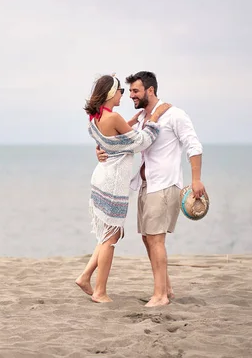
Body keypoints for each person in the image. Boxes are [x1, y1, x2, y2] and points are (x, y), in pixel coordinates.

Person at [95, 71, 205, 307]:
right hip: (146, 185)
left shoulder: (174, 115)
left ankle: (160, 296)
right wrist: (101, 150)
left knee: (156, 240)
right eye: (129, 91)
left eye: (135, 91)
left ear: (150, 91)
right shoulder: (145, 117)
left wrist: (196, 179)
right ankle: (167, 289)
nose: (130, 96)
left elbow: (193, 145)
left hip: (164, 186)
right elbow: (124, 141)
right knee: (148, 239)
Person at [76, 74, 172, 303]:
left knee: (110, 232)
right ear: (111, 93)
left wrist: (126, 125)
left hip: (102, 178)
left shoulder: (95, 117)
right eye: (120, 91)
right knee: (111, 237)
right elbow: (140, 142)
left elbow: (108, 140)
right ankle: (100, 291)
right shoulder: (114, 117)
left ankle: (85, 276)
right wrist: (155, 119)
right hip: (113, 183)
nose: (123, 95)